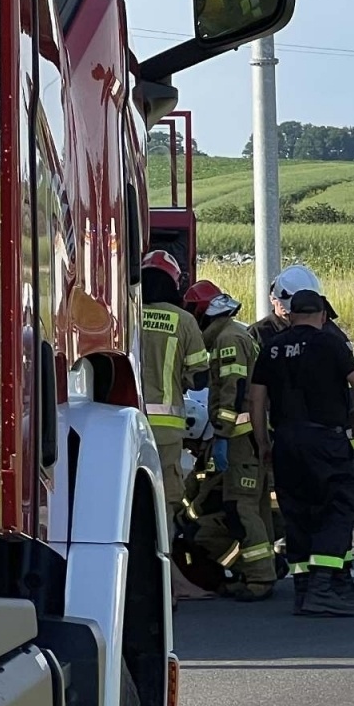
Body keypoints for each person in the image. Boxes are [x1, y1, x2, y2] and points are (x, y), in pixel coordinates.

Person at [248, 291, 354, 617]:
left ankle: (303, 590)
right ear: (320, 315)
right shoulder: (329, 344)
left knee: (297, 512)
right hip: (325, 440)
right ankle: (322, 587)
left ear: (289, 315)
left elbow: (256, 400)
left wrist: (263, 442)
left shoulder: (271, 348)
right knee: (340, 505)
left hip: (286, 440)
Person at [183, 280, 277, 601]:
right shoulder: (237, 334)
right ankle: (260, 570)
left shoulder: (227, 340)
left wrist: (221, 435)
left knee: (240, 508)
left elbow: (233, 390)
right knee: (251, 509)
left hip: (239, 440)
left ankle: (260, 578)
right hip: (248, 439)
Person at [139, 250, 214, 601]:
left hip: (126, 427)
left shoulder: (127, 314)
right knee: (165, 505)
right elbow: (199, 377)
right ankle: (171, 584)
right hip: (166, 432)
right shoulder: (182, 320)